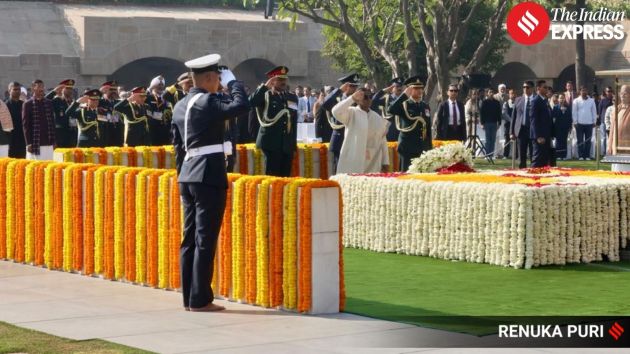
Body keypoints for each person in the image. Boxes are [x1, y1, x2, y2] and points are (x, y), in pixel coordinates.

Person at [172, 53, 249, 312]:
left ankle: (189, 297)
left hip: (188, 174)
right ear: (208, 78)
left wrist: (182, 174)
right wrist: (235, 83)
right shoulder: (206, 101)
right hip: (208, 175)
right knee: (205, 238)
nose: (219, 82)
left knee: (189, 239)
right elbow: (240, 106)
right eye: (217, 78)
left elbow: (177, 148)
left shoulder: (181, 104)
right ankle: (200, 299)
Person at [250, 66, 298, 177]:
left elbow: (293, 122)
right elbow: (251, 102)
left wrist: (293, 145)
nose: (283, 82)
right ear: (272, 80)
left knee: (285, 178)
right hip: (270, 143)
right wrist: (265, 87)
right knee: (272, 177)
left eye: (284, 79)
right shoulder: (266, 95)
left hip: (286, 145)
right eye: (280, 79)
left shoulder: (292, 97)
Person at [331, 87, 389, 174]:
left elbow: (383, 140)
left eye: (370, 97)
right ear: (358, 99)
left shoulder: (377, 118)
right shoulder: (351, 113)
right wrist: (352, 99)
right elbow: (335, 111)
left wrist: (385, 162)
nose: (368, 99)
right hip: (353, 162)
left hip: (372, 163)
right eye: (365, 97)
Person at [388, 76, 432, 171]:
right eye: (415, 88)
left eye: (421, 88)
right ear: (409, 89)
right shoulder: (404, 104)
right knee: (406, 174)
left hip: (422, 147)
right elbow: (391, 110)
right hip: (407, 147)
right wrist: (404, 95)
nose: (419, 90)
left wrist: (429, 147)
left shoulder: (425, 106)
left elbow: (427, 128)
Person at [322, 74, 360, 174]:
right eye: (352, 86)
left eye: (356, 86)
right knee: (339, 168)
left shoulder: (358, 100)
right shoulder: (337, 98)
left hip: (353, 137)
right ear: (345, 86)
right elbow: (325, 104)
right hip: (340, 137)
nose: (355, 88)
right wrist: (339, 90)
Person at [22, 79, 56, 160]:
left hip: (48, 141)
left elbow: (52, 123)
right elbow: (25, 125)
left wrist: (54, 141)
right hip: (35, 142)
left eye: (43, 86)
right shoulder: (27, 104)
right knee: (36, 168)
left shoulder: (49, 103)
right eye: (40, 86)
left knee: (49, 167)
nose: (42, 89)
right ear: (33, 88)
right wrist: (28, 143)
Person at [510, 81, 535, 169]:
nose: (525, 89)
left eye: (527, 87)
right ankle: (522, 170)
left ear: (532, 88)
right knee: (521, 153)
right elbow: (514, 117)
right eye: (524, 87)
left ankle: (533, 170)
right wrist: (512, 132)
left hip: (533, 130)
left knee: (533, 153)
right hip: (521, 130)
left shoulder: (536, 99)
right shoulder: (518, 100)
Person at [46, 79, 76, 148]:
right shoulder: (57, 101)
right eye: (67, 88)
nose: (70, 90)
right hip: (60, 134)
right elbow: (44, 101)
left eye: (71, 88)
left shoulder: (73, 102)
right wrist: (54, 92)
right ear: (62, 89)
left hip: (72, 134)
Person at [372, 78, 404, 142]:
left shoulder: (406, 99)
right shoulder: (386, 99)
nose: (399, 88)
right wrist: (384, 91)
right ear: (391, 88)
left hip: (403, 131)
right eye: (397, 86)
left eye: (401, 86)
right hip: (390, 131)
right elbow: (374, 101)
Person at [530, 80, 553, 167]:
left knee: (544, 159)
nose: (547, 89)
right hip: (540, 136)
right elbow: (533, 120)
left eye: (547, 87)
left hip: (546, 134)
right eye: (545, 87)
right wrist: (538, 136)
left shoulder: (545, 100)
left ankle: (542, 178)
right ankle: (532, 178)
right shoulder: (535, 101)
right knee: (537, 159)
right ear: (538, 88)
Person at [146, 75, 173, 146]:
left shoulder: (166, 97)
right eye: (158, 85)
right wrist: (150, 88)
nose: (160, 87)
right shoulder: (149, 97)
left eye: (162, 85)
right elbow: (141, 95)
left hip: (165, 129)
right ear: (153, 86)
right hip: (153, 129)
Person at [572, 86, 597, 160]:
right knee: (580, 140)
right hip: (579, 124)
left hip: (589, 124)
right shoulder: (576, 100)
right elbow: (574, 112)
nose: (584, 92)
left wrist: (594, 121)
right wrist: (575, 122)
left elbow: (594, 112)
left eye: (585, 91)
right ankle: (581, 156)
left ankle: (587, 156)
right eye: (582, 91)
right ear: (580, 92)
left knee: (588, 140)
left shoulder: (591, 101)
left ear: (587, 91)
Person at [5, 82, 26, 158]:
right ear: (9, 90)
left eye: (19, 89)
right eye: (15, 89)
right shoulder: (5, 106)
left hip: (22, 140)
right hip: (10, 140)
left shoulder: (24, 105)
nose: (17, 91)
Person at [99, 81, 123, 147]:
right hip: (105, 133)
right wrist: (100, 92)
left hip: (117, 133)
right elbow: (89, 100)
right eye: (111, 89)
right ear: (105, 91)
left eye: (115, 89)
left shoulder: (118, 102)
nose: (113, 91)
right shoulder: (100, 102)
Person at [608, 85, 630, 155]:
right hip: (616, 146)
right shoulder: (616, 110)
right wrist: (609, 145)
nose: (622, 95)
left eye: (625, 93)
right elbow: (612, 130)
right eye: (621, 93)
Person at [480, 88, 502, 158]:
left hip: (494, 123)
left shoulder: (497, 102)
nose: (491, 93)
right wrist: (482, 123)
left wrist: (499, 122)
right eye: (490, 92)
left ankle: (491, 155)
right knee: (487, 140)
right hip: (487, 123)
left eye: (492, 92)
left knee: (493, 140)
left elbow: (499, 113)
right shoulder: (484, 102)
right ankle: (487, 154)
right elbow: (481, 113)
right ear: (487, 93)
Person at [552, 93, 572, 160]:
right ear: (558, 99)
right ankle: (558, 155)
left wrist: (569, 127)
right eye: (560, 98)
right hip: (557, 127)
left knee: (564, 141)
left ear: (564, 99)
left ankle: (564, 155)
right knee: (558, 141)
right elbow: (553, 117)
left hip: (565, 127)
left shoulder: (568, 107)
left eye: (563, 98)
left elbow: (569, 118)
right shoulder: (555, 107)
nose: (561, 99)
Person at [599, 87, 614, 155]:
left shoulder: (614, 100)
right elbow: (599, 110)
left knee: (611, 137)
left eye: (610, 91)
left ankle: (611, 151)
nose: (609, 92)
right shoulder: (603, 100)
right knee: (604, 138)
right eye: (608, 91)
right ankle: (604, 152)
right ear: (605, 92)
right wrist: (599, 120)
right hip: (603, 121)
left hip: (612, 121)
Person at [502, 89, 516, 159]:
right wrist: (511, 120)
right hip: (508, 125)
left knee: (516, 140)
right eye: (511, 93)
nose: (512, 95)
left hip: (516, 125)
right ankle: (505, 155)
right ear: (509, 95)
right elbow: (504, 114)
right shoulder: (506, 103)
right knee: (507, 139)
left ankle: (516, 155)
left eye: (513, 93)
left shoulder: (517, 103)